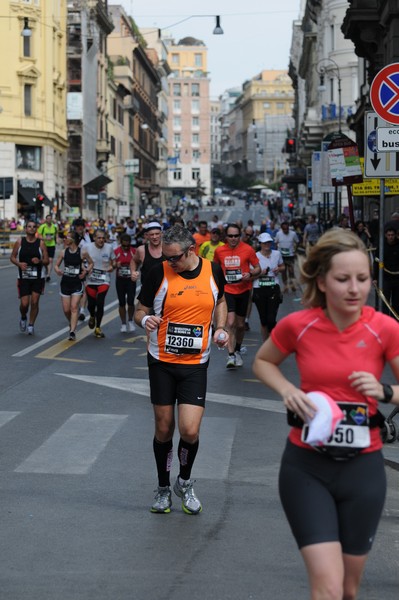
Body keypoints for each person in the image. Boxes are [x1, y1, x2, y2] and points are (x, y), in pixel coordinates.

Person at [253, 229, 399, 600]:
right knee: (328, 588)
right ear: (321, 281)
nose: (354, 288)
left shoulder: (384, 328)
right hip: (306, 467)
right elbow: (264, 361)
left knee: (349, 590)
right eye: (343, 279)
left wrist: (385, 391)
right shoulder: (299, 326)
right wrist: (288, 390)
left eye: (363, 279)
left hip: (363, 470)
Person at [134, 225, 228, 514]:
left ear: (191, 251)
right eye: (166, 256)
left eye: (174, 258)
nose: (169, 262)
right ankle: (163, 488)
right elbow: (140, 309)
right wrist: (144, 321)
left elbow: (221, 300)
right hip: (161, 361)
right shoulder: (158, 272)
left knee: (189, 430)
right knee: (164, 430)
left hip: (195, 364)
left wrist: (221, 328)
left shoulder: (212, 270)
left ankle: (184, 482)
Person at [214, 223, 260, 369]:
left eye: (236, 236)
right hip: (227, 290)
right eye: (230, 236)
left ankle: (238, 349)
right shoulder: (220, 251)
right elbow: (215, 268)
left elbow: (257, 268)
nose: (233, 239)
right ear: (226, 236)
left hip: (243, 290)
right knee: (231, 322)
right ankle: (231, 355)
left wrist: (251, 274)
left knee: (240, 325)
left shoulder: (248, 249)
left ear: (239, 236)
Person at [10, 219, 49, 335]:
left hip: (38, 277)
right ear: (25, 229)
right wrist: (19, 264)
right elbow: (12, 257)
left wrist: (40, 261)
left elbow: (47, 261)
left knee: (35, 302)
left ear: (36, 229)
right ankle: (23, 317)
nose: (32, 228)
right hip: (23, 277)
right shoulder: (20, 242)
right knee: (24, 304)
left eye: (34, 227)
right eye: (29, 226)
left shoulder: (41, 243)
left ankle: (31, 324)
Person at [54, 231, 93, 341]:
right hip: (65, 283)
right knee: (66, 310)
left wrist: (85, 272)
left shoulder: (82, 253)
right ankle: (71, 321)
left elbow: (91, 263)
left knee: (74, 307)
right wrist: (57, 270)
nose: (65, 239)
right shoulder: (63, 252)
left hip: (77, 283)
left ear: (73, 240)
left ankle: (72, 331)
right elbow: (56, 265)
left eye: (67, 237)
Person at [251, 232, 285, 341]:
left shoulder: (277, 254)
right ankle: (266, 343)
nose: (267, 245)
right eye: (264, 243)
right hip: (259, 288)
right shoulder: (255, 256)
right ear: (260, 244)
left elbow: (283, 266)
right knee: (264, 320)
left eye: (269, 243)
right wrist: (261, 273)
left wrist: (279, 269)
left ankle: (273, 340)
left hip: (273, 287)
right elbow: (250, 274)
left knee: (271, 318)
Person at [85, 229, 115, 338]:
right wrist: (85, 269)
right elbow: (80, 259)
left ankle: (98, 327)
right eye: (99, 238)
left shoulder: (109, 248)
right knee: (91, 304)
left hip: (104, 279)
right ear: (94, 238)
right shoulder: (87, 247)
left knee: (100, 302)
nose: (101, 240)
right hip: (90, 280)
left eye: (103, 238)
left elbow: (114, 262)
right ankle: (92, 315)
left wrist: (112, 267)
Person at [373, 227, 399, 317]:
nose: (391, 237)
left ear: (395, 235)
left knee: (396, 303)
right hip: (385, 278)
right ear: (385, 235)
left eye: (392, 235)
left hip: (397, 279)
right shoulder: (381, 247)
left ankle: (394, 322)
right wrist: (375, 278)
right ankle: (385, 320)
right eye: (389, 235)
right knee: (385, 301)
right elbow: (376, 262)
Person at [114, 233, 137, 333]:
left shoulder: (134, 251)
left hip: (130, 280)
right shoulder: (116, 251)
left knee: (131, 301)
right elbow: (112, 264)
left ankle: (130, 320)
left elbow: (138, 262)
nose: (126, 247)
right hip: (120, 280)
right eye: (124, 245)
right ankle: (123, 323)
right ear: (121, 243)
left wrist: (135, 270)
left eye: (128, 245)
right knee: (122, 302)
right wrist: (116, 264)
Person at [131, 221, 163, 287]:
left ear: (161, 234)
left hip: (165, 291)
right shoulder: (142, 250)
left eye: (157, 234)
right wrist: (133, 272)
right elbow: (134, 260)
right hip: (147, 291)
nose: (154, 237)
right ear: (147, 235)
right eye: (152, 234)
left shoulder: (168, 248)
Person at [275, 220, 299, 293]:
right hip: (282, 256)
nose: (286, 231)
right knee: (283, 272)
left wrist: (295, 250)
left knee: (291, 271)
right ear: (282, 229)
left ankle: (292, 285)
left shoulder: (293, 234)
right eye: (284, 229)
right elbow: (276, 243)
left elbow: (297, 242)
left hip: (290, 255)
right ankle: (285, 286)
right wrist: (277, 253)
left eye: (287, 229)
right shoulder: (278, 234)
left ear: (289, 228)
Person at [37, 214, 58, 281]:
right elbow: (38, 235)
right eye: (48, 218)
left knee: (50, 260)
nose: (49, 220)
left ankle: (48, 275)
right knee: (44, 261)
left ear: (51, 219)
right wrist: (45, 238)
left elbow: (56, 234)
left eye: (50, 218)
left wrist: (57, 239)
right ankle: (46, 268)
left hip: (52, 245)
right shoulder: (42, 227)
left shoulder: (54, 227)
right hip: (44, 245)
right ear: (46, 219)